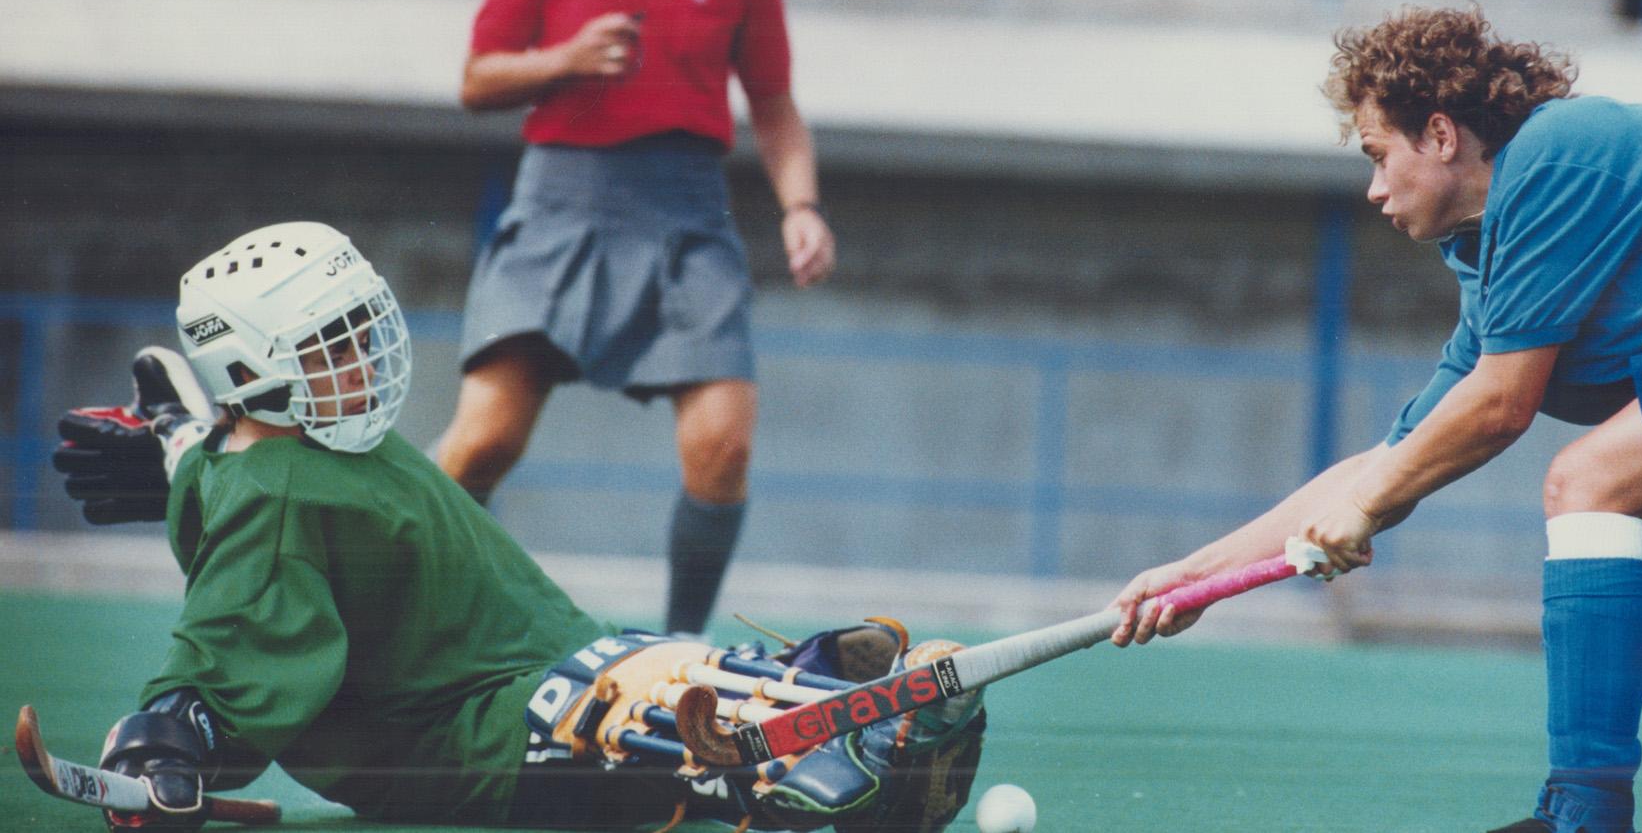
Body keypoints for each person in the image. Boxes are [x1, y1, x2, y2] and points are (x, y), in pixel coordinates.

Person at [1108, 6, 1642, 833]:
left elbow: (1499, 408)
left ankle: (1584, 815)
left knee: (1592, 481)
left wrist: (1367, 506)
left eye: (1378, 156)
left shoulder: (1556, 152)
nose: (1374, 188)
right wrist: (1199, 572)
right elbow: (1398, 455)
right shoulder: (1498, 269)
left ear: (1440, 132)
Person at [48, 222, 979, 833]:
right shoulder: (280, 491)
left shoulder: (310, 442)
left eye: (361, 327)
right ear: (252, 372)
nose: (365, 354)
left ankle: (797, 701)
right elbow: (241, 639)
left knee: (646, 670)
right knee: (626, 710)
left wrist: (178, 446)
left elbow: (226, 457)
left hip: (514, 666)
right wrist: (170, 737)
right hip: (450, 734)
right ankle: (823, 770)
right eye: (332, 344)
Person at [438, 0, 837, 637]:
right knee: (485, 440)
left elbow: (772, 102)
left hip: (688, 212)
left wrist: (803, 207)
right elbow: (478, 78)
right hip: (560, 202)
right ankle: (399, 602)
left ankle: (682, 645)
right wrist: (564, 59)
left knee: (723, 444)